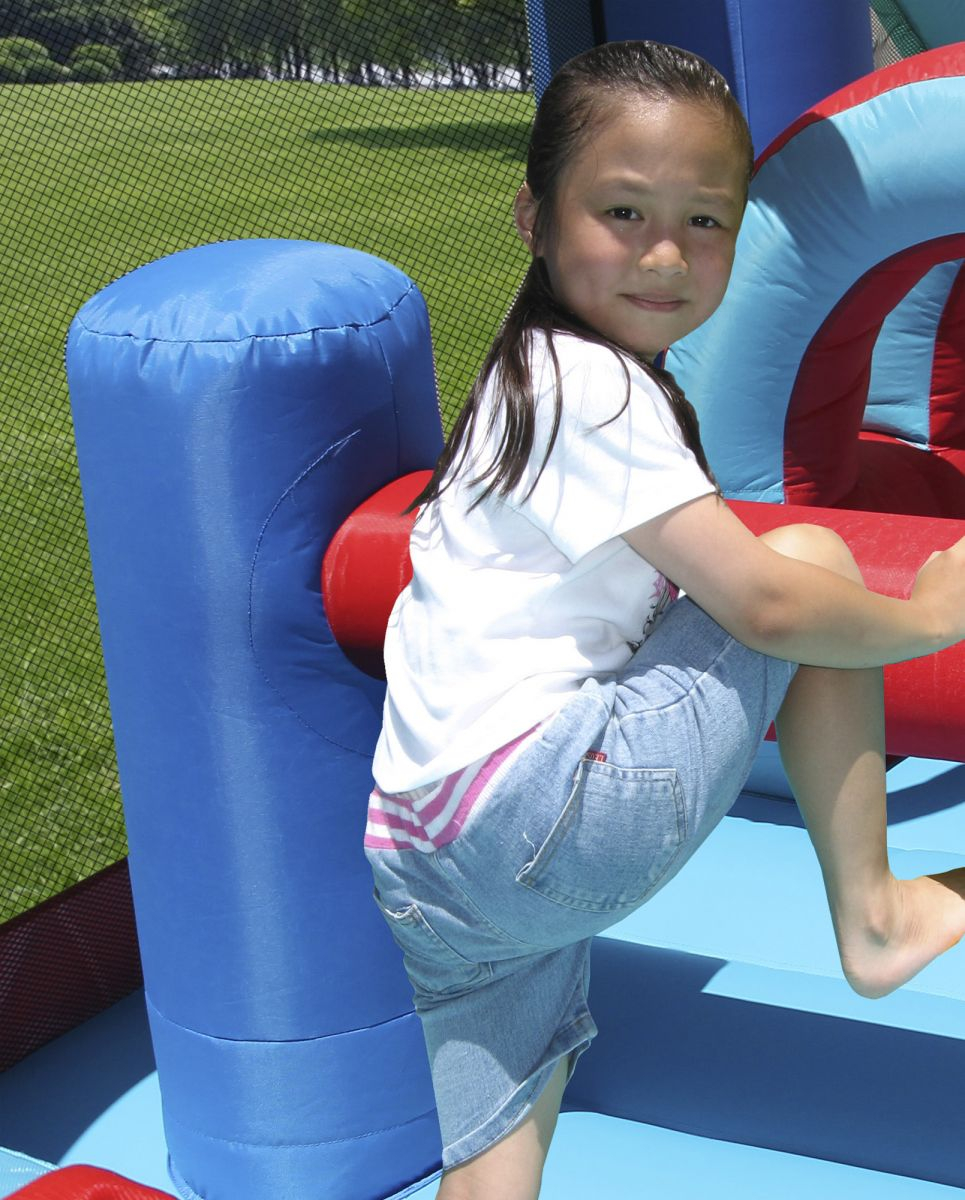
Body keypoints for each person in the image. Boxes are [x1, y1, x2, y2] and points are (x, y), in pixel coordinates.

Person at [364, 40, 965, 1200]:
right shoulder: (586, 384)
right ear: (533, 218)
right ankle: (875, 914)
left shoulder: (518, 377)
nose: (663, 255)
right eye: (623, 210)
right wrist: (929, 614)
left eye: (706, 222)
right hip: (537, 809)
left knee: (497, 1144)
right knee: (802, 555)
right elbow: (762, 603)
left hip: (423, 859)